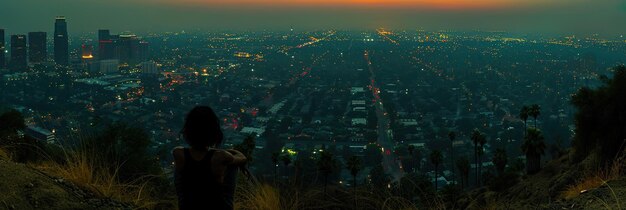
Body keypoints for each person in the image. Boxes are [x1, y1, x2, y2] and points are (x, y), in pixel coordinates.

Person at [173, 106, 247, 210]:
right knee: (232, 166)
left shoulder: (178, 153)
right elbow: (242, 158)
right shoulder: (220, 156)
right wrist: (225, 151)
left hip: (187, 206)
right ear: (213, 132)